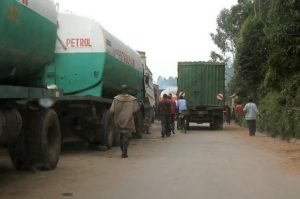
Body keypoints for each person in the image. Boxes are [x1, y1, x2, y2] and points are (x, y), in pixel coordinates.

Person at [109, 84, 140, 158]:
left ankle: (122, 149)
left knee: (121, 135)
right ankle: (124, 152)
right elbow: (136, 109)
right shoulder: (132, 99)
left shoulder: (116, 99)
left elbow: (112, 110)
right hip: (128, 120)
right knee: (126, 136)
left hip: (118, 120)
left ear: (121, 90)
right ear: (128, 91)